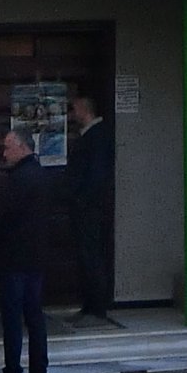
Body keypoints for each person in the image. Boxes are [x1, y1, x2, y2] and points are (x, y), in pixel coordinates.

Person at [0, 126, 49, 373]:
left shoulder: (15, 181)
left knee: (13, 319)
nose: (4, 152)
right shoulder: (42, 176)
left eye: (9, 146)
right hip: (36, 258)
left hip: (14, 259)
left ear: (23, 148)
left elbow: (2, 218)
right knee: (35, 317)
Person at [65, 91, 115, 323]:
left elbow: (96, 175)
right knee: (88, 255)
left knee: (91, 255)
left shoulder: (95, 137)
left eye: (74, 110)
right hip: (89, 205)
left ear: (84, 110)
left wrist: (81, 198)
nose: (72, 115)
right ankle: (91, 304)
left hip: (89, 207)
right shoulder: (94, 136)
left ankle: (96, 305)